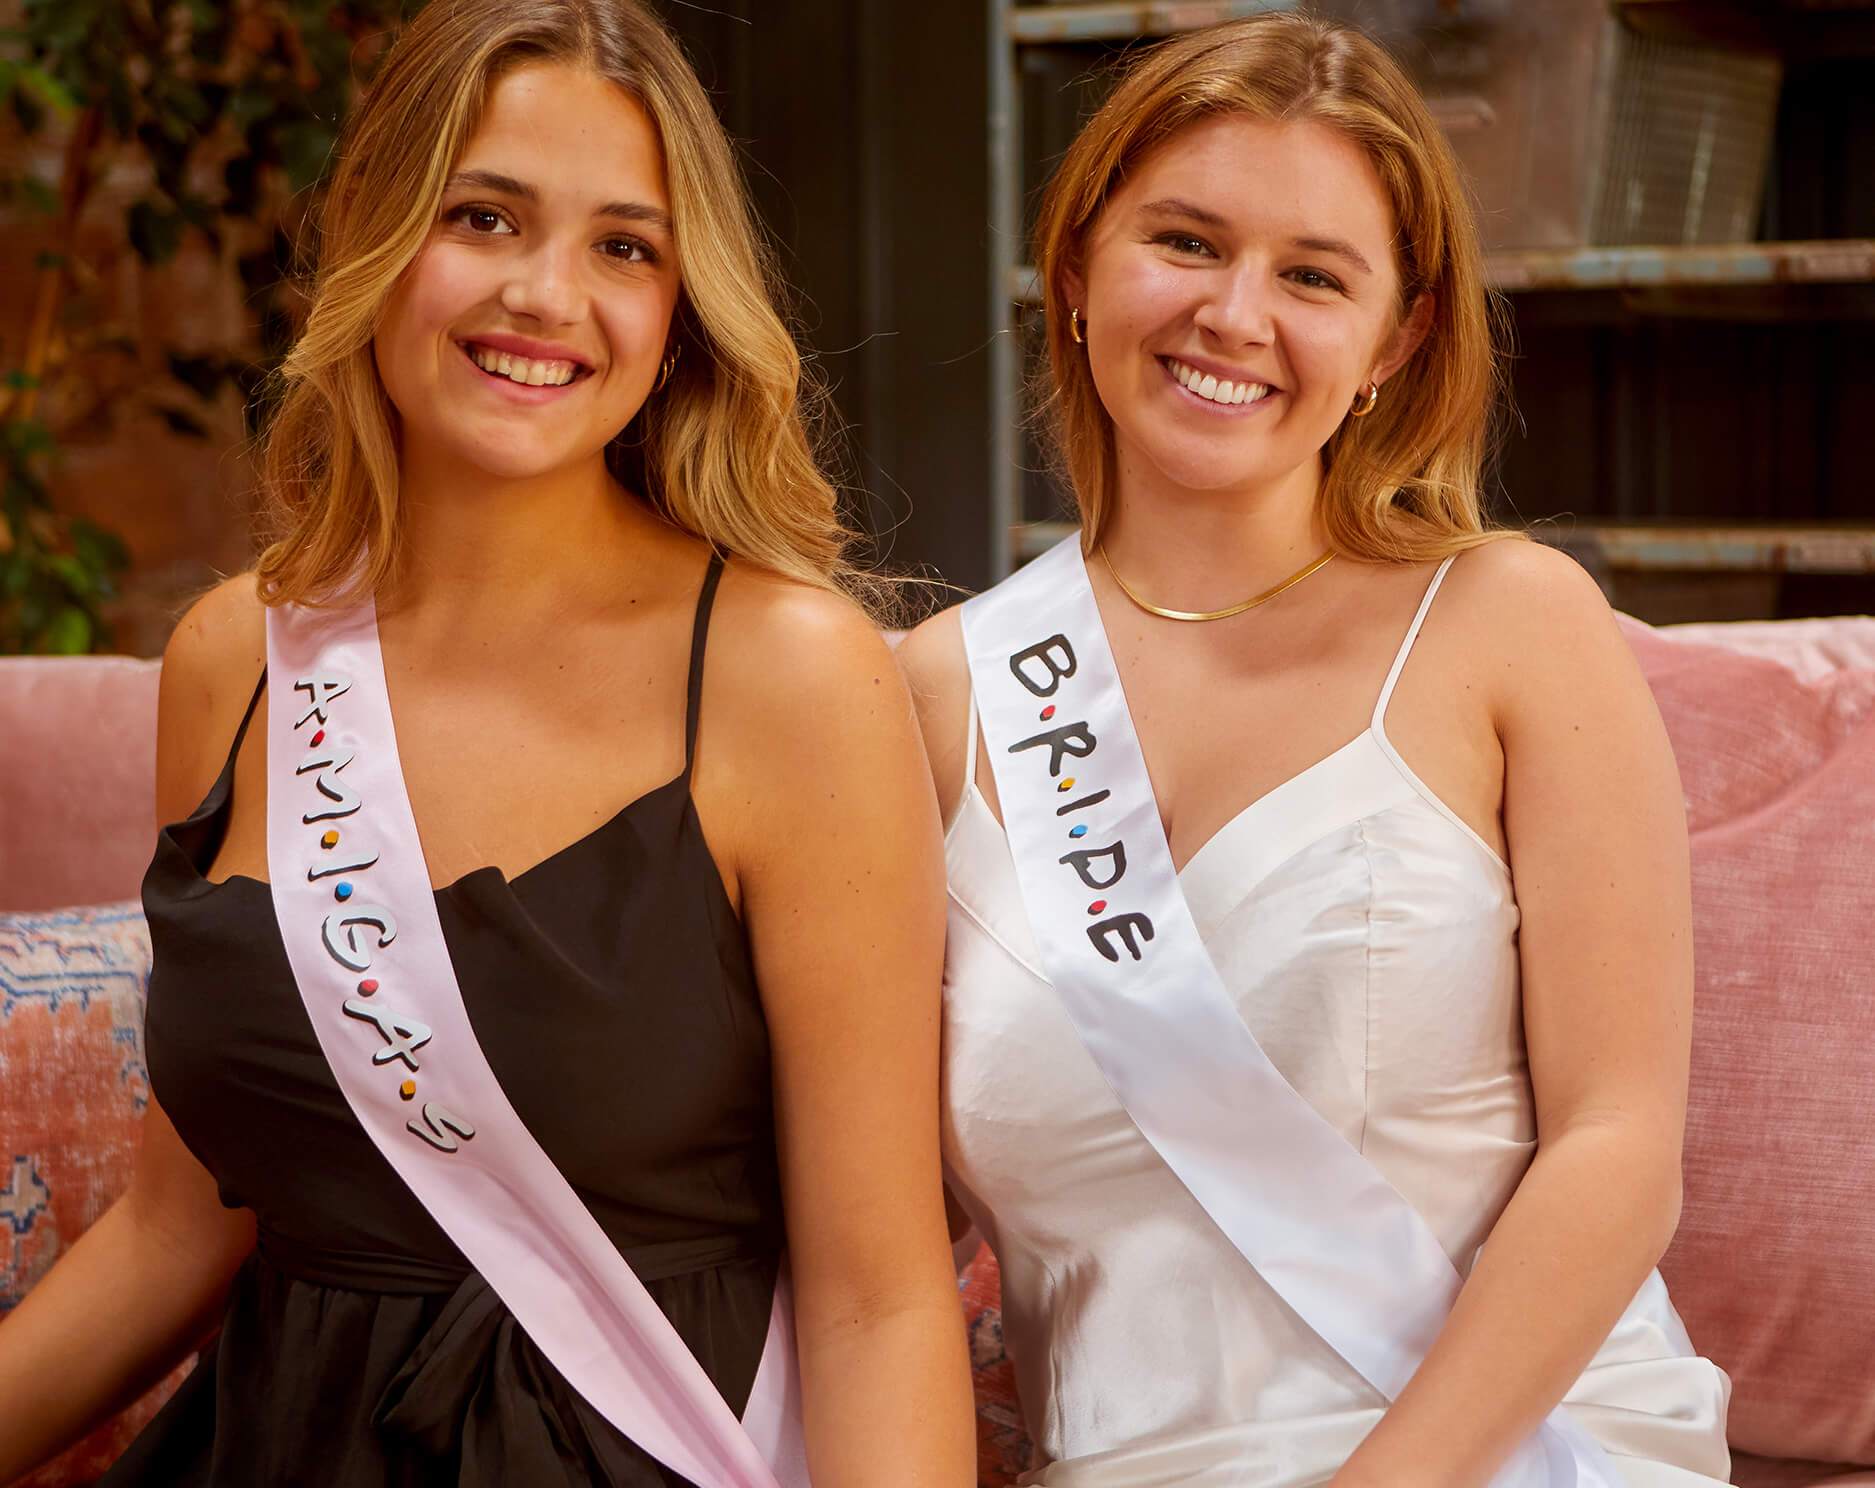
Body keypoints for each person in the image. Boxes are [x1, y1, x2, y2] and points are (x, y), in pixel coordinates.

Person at [0, 2, 973, 1484]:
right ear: (377, 242)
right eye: (485, 215)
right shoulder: (236, 661)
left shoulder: (790, 677)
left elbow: (880, 1296)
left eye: (625, 247)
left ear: (682, 306)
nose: (547, 294)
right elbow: (179, 1225)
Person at [900, 13, 1730, 1487]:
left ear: (1395, 339)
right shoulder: (934, 699)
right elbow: (877, 1247)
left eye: (1312, 276)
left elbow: (1619, 1142)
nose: (1236, 314)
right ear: (1078, 266)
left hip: (1521, 1460)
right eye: (1187, 241)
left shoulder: (1509, 625)